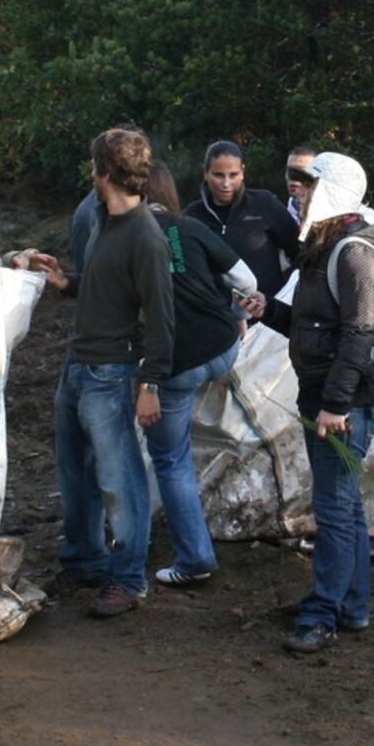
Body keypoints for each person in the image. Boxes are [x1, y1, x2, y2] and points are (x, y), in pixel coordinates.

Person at [256, 150, 374, 655]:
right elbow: (315, 326)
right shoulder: (327, 247)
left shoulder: (355, 253)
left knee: (334, 512)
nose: (301, 192)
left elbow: (359, 333)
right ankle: (353, 607)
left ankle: (322, 615)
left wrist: (335, 404)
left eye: (310, 185)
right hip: (329, 399)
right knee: (346, 509)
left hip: (346, 405)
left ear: (331, 193)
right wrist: (267, 308)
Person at [46, 128, 175, 619]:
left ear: (101, 171)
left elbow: (161, 318)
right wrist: (67, 283)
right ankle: (84, 560)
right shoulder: (101, 220)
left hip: (113, 373)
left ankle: (128, 579)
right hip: (78, 365)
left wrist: (150, 384)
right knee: (74, 470)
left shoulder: (146, 237)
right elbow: (105, 287)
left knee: (120, 480)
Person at [141, 163, 264, 588]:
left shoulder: (129, 237)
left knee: (170, 460)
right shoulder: (187, 227)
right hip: (222, 348)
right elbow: (246, 280)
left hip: (177, 365)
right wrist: (233, 313)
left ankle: (194, 558)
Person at [183, 141, 302, 298]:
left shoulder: (265, 204)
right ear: (205, 172)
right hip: (215, 316)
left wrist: (289, 296)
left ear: (243, 172)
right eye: (218, 175)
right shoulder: (190, 217)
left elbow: (300, 253)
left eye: (233, 175)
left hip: (267, 315)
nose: (226, 184)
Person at [282, 144, 319, 225]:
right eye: (290, 171)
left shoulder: (335, 220)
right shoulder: (279, 217)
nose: (294, 178)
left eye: (302, 172)